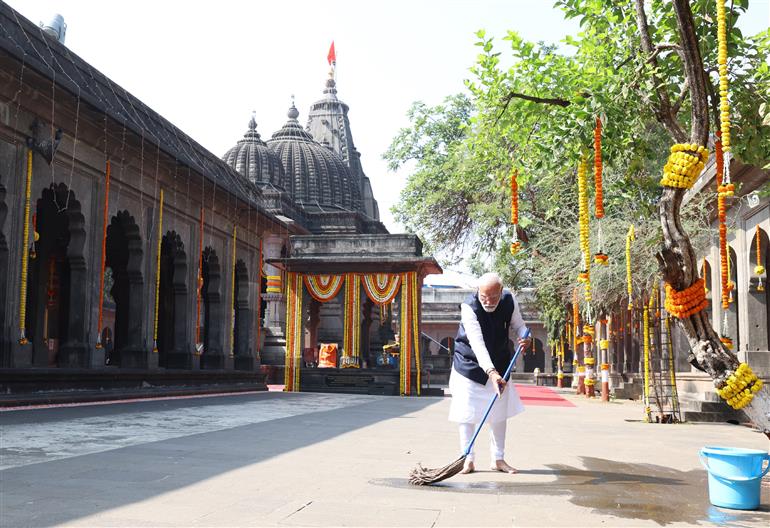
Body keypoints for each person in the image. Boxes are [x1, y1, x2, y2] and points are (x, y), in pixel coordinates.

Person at [449, 272, 531, 474]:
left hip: (500, 361)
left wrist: (524, 337)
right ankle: (467, 458)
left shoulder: (509, 300)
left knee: (498, 413)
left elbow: (519, 326)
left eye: (493, 297)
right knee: (467, 413)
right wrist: (491, 372)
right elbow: (477, 343)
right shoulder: (469, 307)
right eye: (483, 297)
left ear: (501, 292)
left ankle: (498, 459)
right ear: (478, 292)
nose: (488, 301)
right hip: (469, 365)